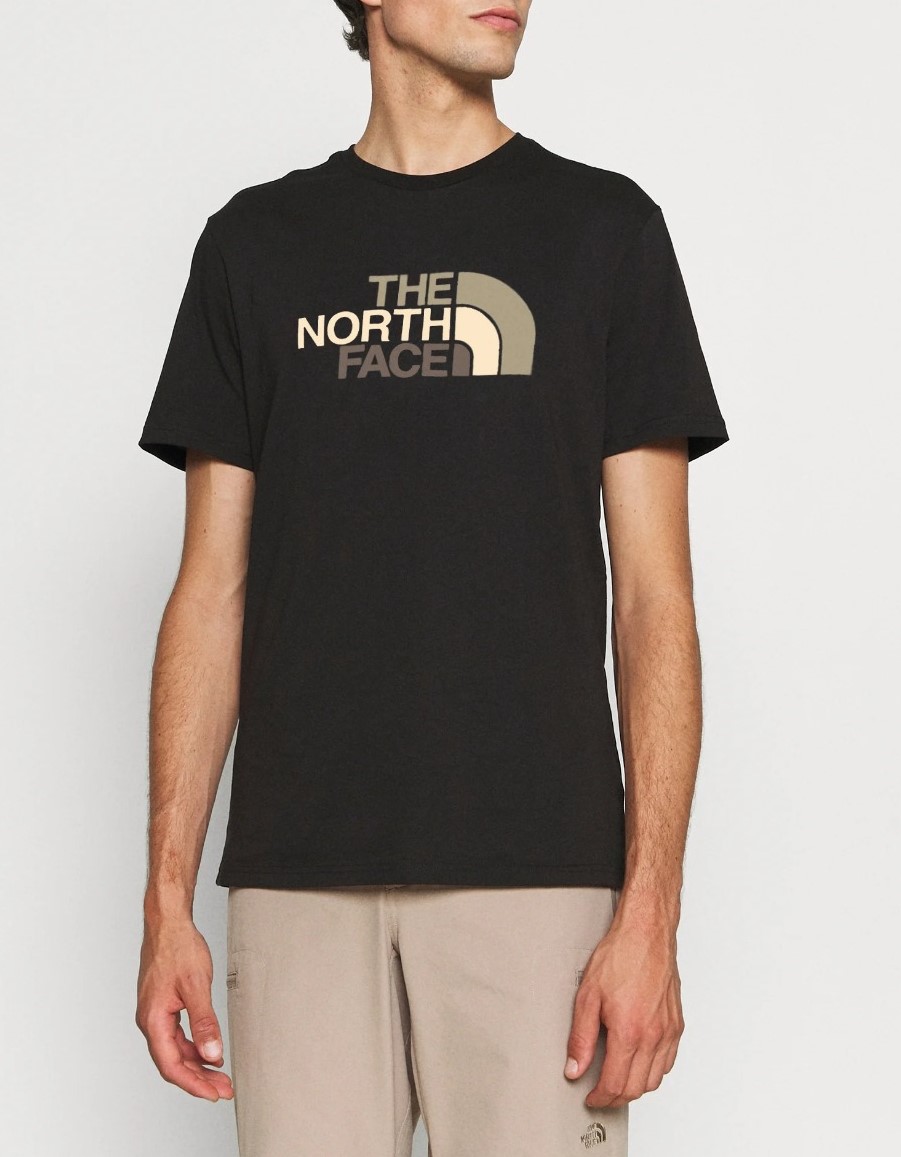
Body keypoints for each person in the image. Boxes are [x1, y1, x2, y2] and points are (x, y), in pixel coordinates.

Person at [134, 2, 730, 1153]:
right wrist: (166, 902)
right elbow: (210, 592)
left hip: (537, 877)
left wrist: (649, 911)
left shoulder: (603, 232)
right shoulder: (254, 245)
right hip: (296, 879)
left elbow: (657, 600)